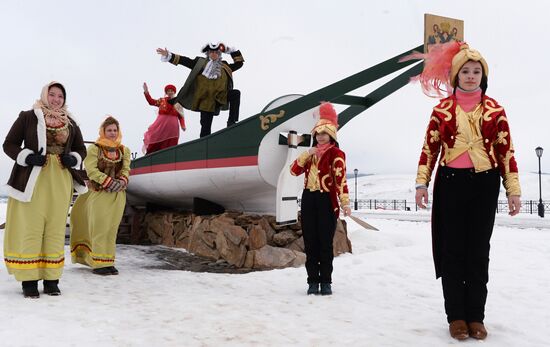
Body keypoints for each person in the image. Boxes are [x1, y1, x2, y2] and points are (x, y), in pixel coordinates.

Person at [407, 42, 521, 340]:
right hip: (451, 184)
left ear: (483, 76)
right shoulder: (441, 110)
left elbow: (507, 152)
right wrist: (422, 183)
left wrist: (514, 190)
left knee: (478, 250)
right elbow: (429, 149)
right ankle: (456, 316)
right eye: (465, 71)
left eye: (476, 71)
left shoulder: (496, 110)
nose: (471, 76)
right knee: (452, 250)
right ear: (456, 75)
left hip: (484, 184)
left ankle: (476, 317)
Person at [2, 81, 87, 298]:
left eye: (60, 96)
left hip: (59, 178)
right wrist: (27, 156)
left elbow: (81, 149)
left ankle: (52, 279)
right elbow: (9, 144)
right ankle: (29, 280)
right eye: (52, 94)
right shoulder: (28, 116)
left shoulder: (71, 122)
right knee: (31, 227)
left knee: (55, 228)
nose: (56, 99)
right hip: (32, 178)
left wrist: (74, 158)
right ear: (44, 95)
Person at [290, 102, 352, 296]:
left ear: (332, 134)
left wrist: (345, 203)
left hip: (326, 200)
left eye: (324, 133)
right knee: (310, 242)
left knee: (325, 243)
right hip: (309, 199)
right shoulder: (310, 153)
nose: (320, 136)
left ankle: (325, 281)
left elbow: (341, 180)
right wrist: (306, 154)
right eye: (318, 133)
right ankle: (312, 281)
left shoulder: (336, 154)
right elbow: (294, 171)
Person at [70, 116, 131, 276]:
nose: (112, 133)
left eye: (114, 130)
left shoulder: (124, 150)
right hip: (100, 193)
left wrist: (122, 181)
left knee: (111, 228)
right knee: (100, 228)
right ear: (103, 131)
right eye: (109, 130)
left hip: (118, 195)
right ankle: (98, 263)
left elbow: (126, 169)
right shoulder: (95, 149)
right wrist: (109, 181)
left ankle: (108, 261)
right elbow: (91, 170)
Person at [156, 42, 244, 137]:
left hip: (220, 96)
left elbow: (239, 63)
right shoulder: (200, 62)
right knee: (205, 127)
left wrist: (231, 51)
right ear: (208, 53)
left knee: (235, 94)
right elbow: (184, 60)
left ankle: (231, 122)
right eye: (211, 52)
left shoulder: (225, 66)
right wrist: (169, 55)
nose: (214, 54)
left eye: (216, 52)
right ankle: (204, 143)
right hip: (205, 100)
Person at [142, 83, 186, 154]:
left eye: (172, 91)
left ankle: (170, 156)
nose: (170, 92)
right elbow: (151, 101)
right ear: (166, 92)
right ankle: (151, 155)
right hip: (161, 125)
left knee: (171, 142)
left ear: (174, 92)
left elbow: (181, 116)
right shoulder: (162, 100)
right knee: (156, 137)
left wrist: (183, 125)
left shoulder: (178, 103)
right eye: (168, 91)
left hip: (173, 127)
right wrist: (146, 92)